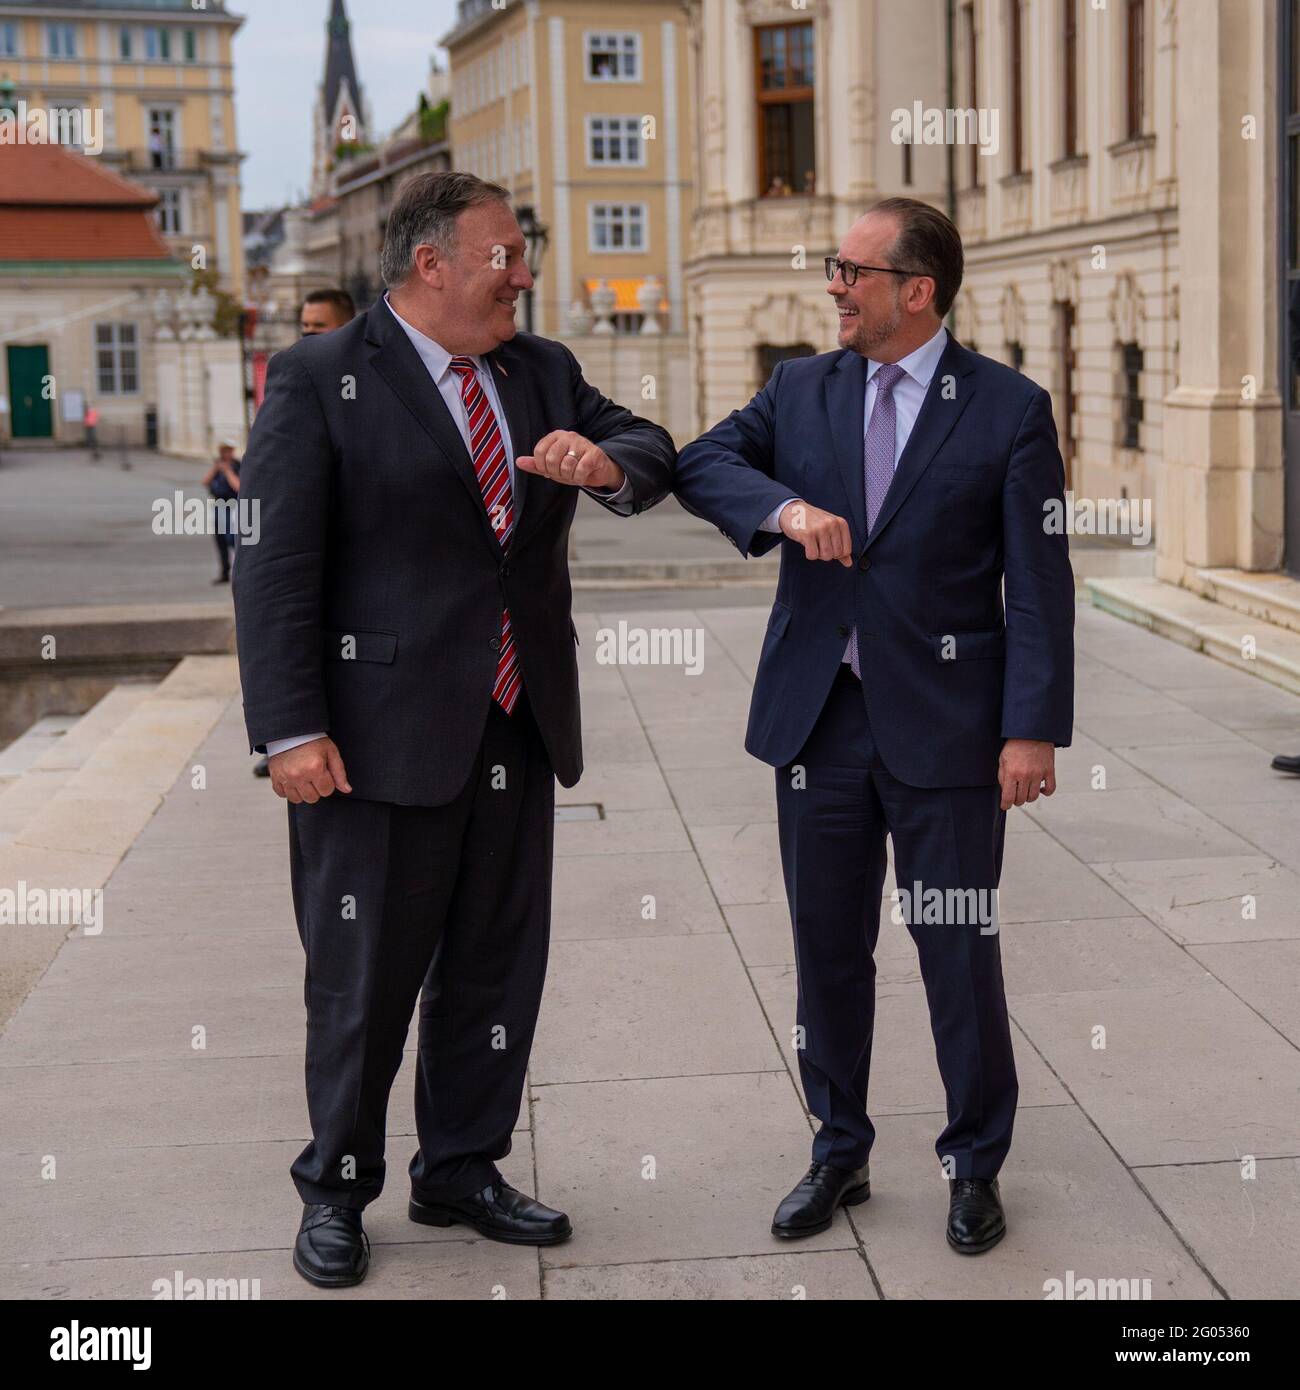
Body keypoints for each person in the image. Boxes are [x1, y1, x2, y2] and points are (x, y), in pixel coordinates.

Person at [232, 171, 675, 1288]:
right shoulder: (320, 377)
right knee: (363, 975)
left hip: (514, 725)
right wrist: (289, 728)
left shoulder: (541, 371)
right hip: (373, 741)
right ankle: (335, 1184)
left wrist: (607, 461)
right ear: (432, 266)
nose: (523, 272)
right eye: (504, 254)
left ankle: (462, 1167)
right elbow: (274, 569)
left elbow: (650, 445)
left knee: (494, 965)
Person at [673, 197, 1075, 1255]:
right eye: (831, 269)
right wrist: (785, 511)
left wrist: (1029, 728)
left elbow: (1039, 588)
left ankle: (973, 1162)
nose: (832, 287)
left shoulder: (1006, 409)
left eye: (849, 270)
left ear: (916, 289)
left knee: (955, 948)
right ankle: (837, 1149)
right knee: (825, 953)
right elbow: (701, 462)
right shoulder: (801, 386)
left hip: (949, 729)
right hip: (820, 728)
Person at [250, 289, 356, 779]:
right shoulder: (300, 379)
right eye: (304, 324)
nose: (308, 334)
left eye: (320, 325)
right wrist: (288, 730)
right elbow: (271, 562)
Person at [199, 439, 241, 584]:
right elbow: (205, 482)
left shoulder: (237, 466)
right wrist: (216, 469)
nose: (226, 454)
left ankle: (240, 568)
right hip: (218, 505)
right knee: (220, 540)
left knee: (232, 538)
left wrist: (228, 472)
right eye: (223, 451)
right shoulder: (218, 466)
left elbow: (238, 487)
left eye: (228, 451)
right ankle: (224, 571)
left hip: (232, 506)